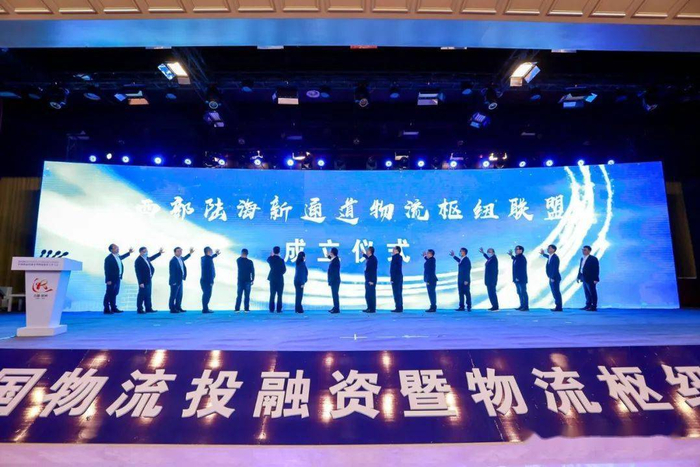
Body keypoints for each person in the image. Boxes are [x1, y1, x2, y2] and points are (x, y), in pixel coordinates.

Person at [103, 244, 133, 314]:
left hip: (117, 278)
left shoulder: (118, 256)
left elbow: (122, 257)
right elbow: (107, 270)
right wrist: (108, 280)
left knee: (114, 293)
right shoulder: (108, 258)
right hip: (111, 279)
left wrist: (129, 253)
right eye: (115, 248)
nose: (117, 248)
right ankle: (106, 309)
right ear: (111, 250)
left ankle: (113, 308)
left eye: (117, 247)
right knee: (109, 294)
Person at [134, 246, 163, 314]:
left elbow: (152, 258)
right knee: (141, 295)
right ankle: (140, 309)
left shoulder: (146, 258)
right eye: (144, 251)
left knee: (148, 295)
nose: (146, 253)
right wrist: (140, 282)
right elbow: (138, 272)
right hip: (143, 281)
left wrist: (159, 253)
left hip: (148, 279)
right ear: (140, 252)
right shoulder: (138, 260)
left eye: (146, 251)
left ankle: (148, 308)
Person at [168, 246, 194, 313]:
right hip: (175, 281)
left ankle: (178, 307)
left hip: (180, 280)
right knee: (173, 295)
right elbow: (172, 272)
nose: (180, 252)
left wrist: (190, 253)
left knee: (179, 295)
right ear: (175, 252)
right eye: (178, 251)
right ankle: (172, 309)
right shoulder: (173, 261)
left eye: (181, 251)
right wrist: (173, 282)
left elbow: (185, 258)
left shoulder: (181, 258)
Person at [540, 244, 563, 311]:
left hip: (554, 278)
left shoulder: (555, 257)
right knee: (554, 292)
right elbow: (548, 257)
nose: (548, 249)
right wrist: (543, 254)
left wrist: (552, 277)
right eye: (548, 248)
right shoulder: (551, 256)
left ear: (553, 249)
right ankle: (557, 306)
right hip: (551, 277)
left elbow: (555, 268)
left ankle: (559, 307)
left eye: (549, 248)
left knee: (556, 292)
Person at [577, 245, 600, 311]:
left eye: (585, 250)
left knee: (592, 292)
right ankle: (588, 305)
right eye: (583, 250)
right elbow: (581, 268)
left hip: (591, 278)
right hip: (584, 278)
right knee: (586, 292)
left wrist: (596, 279)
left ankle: (593, 306)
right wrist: (578, 277)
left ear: (589, 251)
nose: (583, 251)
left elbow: (596, 269)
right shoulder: (582, 258)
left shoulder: (593, 259)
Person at [507, 246, 529, 311]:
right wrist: (511, 255)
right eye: (515, 249)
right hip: (517, 279)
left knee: (523, 292)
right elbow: (514, 259)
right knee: (519, 292)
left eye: (517, 249)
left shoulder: (522, 258)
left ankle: (525, 306)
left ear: (521, 250)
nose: (516, 250)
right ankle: (522, 305)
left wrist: (518, 277)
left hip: (521, 279)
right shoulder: (517, 257)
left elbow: (521, 269)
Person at [200, 246, 220, 314]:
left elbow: (211, 257)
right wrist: (211, 281)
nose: (212, 252)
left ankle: (205, 308)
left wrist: (216, 254)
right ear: (208, 251)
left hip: (204, 280)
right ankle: (205, 309)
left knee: (206, 294)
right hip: (207, 281)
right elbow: (209, 272)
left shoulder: (204, 258)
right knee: (207, 295)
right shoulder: (208, 259)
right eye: (211, 251)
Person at [267, 246, 286, 313]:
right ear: (279, 252)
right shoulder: (281, 260)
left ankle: (271, 309)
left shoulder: (271, 259)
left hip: (272, 278)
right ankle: (279, 309)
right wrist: (280, 273)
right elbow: (284, 270)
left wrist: (271, 255)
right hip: (280, 279)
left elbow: (268, 259)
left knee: (272, 294)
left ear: (273, 251)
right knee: (279, 295)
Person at [362, 246, 378, 314]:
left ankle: (372, 308)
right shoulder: (370, 258)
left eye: (367, 250)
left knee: (371, 295)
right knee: (368, 295)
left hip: (371, 280)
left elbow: (373, 270)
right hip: (368, 279)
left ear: (370, 251)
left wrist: (372, 280)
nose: (367, 251)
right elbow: (368, 258)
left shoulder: (373, 259)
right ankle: (369, 307)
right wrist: (364, 255)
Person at [390, 246, 404, 313]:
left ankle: (398, 307)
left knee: (397, 293)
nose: (392, 250)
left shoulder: (396, 257)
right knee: (398, 293)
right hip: (398, 277)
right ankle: (399, 307)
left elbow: (394, 269)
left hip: (396, 277)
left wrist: (393, 278)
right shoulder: (398, 257)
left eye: (393, 249)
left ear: (397, 250)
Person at [327, 247, 341, 314]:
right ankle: (335, 307)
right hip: (334, 280)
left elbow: (334, 272)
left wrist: (331, 280)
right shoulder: (335, 259)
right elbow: (331, 258)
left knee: (335, 294)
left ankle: (336, 308)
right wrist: (328, 256)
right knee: (334, 294)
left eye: (330, 252)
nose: (329, 253)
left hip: (335, 280)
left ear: (332, 253)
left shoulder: (335, 261)